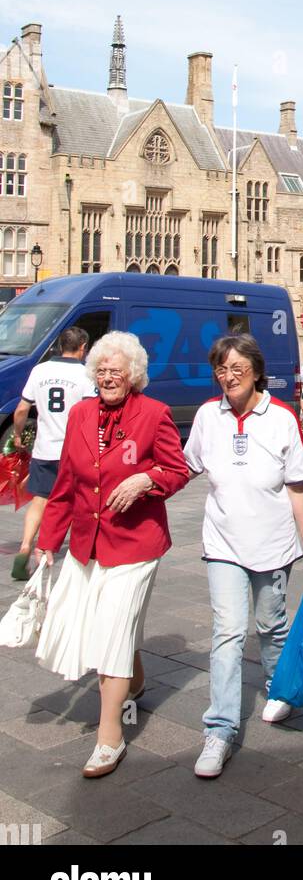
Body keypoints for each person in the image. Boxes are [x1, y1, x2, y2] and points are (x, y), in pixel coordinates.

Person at [33, 332, 190, 777]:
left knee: (112, 635)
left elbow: (177, 470)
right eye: (100, 370)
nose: (107, 377)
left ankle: (109, 738)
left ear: (133, 375)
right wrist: (48, 541)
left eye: (115, 371)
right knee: (112, 625)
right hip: (89, 541)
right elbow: (65, 484)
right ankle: (136, 679)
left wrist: (145, 480)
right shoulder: (81, 414)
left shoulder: (153, 414)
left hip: (137, 543)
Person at [184, 333, 303, 779]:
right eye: (221, 370)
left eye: (236, 369)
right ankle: (220, 729)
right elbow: (183, 466)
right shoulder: (209, 415)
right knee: (227, 632)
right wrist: (142, 481)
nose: (228, 377)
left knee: (270, 624)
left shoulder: (281, 418)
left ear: (258, 372)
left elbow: (297, 486)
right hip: (222, 541)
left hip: (272, 543)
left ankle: (276, 684)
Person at [10, 326, 94, 581]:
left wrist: (16, 436)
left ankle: (26, 545)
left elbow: (22, 410)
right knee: (79, 500)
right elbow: (91, 413)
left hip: (45, 448)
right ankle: (65, 550)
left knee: (40, 499)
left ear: (59, 346)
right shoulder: (85, 374)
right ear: (82, 348)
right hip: (74, 449)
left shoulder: (40, 370)